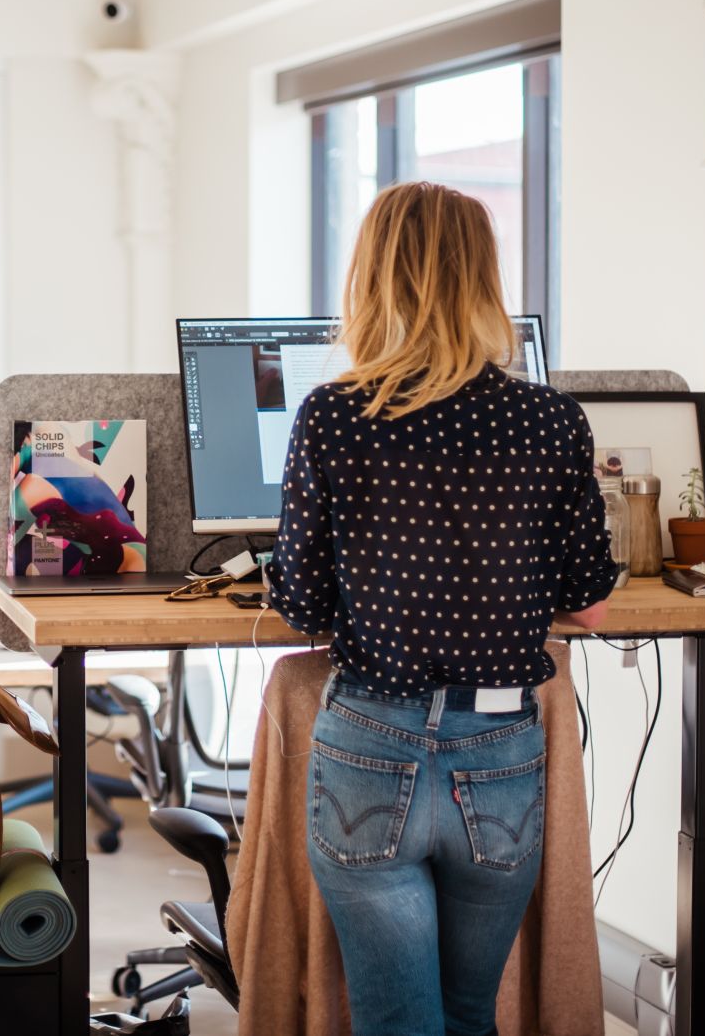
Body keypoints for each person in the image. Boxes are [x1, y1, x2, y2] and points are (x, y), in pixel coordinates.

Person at [267, 182, 614, 1035]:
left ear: (372, 280)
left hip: (369, 745)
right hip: (499, 747)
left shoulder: (334, 417)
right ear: (484, 282)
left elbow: (301, 603)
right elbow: (592, 605)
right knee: (468, 1015)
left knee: (397, 1023)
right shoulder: (550, 421)